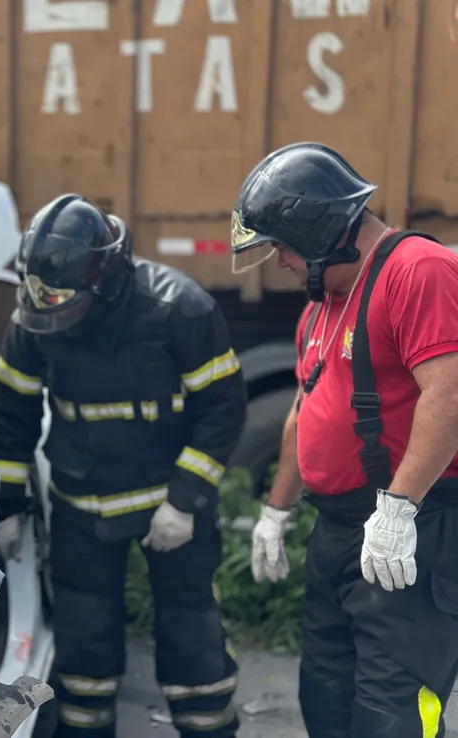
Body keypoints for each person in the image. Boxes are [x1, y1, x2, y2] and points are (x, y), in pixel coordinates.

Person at [0, 193, 248, 738]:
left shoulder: (180, 309)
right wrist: (8, 507)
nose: (48, 308)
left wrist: (186, 500)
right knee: (84, 649)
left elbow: (221, 409)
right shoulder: (34, 321)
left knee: (193, 639)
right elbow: (10, 415)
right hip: (80, 508)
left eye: (60, 296)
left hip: (168, 505)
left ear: (103, 279)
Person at [232, 141, 458, 738]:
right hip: (338, 530)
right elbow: (305, 409)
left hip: (413, 526)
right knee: (325, 691)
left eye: (279, 245)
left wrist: (400, 508)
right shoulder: (324, 307)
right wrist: (275, 511)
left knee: (394, 708)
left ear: (319, 232)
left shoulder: (416, 270)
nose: (277, 261)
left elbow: (450, 394)